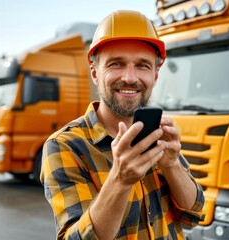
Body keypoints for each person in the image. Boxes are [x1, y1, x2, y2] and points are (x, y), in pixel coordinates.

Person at [41, 10, 204, 240]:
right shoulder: (65, 146)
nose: (130, 77)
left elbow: (193, 214)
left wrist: (172, 165)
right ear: (95, 72)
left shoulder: (158, 134)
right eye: (116, 64)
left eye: (143, 65)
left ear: (156, 76)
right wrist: (120, 179)